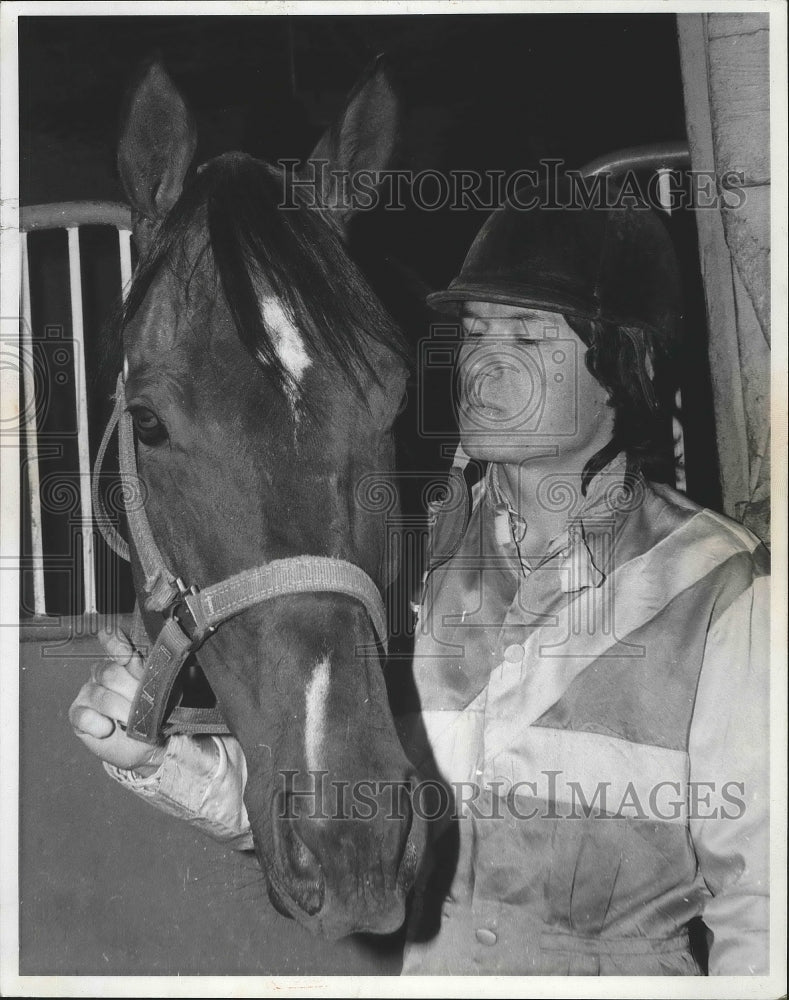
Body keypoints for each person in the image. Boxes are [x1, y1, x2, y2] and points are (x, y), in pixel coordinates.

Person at [70, 177, 770, 975]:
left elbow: (763, 903)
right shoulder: (397, 567)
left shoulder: (718, 588)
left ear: (626, 365)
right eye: (474, 331)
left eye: (527, 336)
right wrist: (162, 762)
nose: (482, 364)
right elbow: (343, 814)